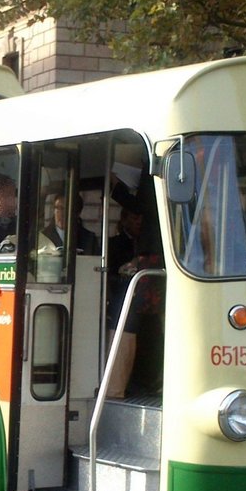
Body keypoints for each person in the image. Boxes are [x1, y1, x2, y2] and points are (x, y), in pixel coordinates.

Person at [105, 166, 164, 399]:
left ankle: (115, 387)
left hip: (152, 254)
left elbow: (142, 206)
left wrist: (116, 187)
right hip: (161, 255)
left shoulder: (153, 171)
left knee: (125, 317)